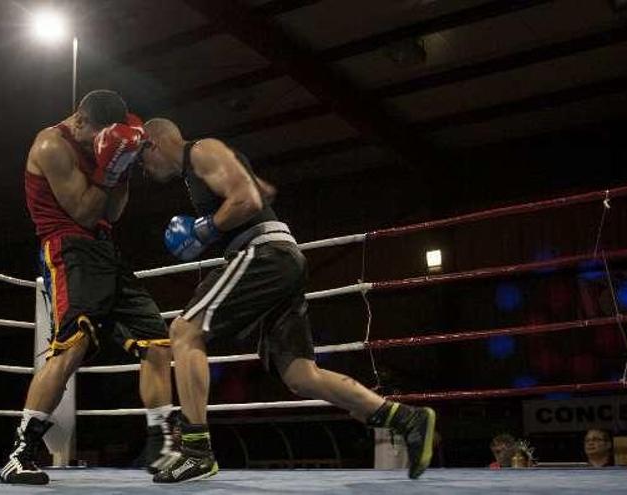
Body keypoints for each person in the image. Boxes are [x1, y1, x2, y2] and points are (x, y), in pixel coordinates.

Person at [139, 118, 437, 483]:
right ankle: (404, 418)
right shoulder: (202, 165)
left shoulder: (201, 150)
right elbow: (260, 190)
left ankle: (196, 451)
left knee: (184, 331)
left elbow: (248, 199)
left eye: (142, 159)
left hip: (263, 252)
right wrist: (238, 192)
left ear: (152, 143)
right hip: (279, 258)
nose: (144, 169)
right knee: (300, 375)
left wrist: (206, 228)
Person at [1, 90, 175, 484]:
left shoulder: (106, 144)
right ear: (79, 121)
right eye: (93, 138)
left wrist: (123, 167)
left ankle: (162, 445)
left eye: (105, 141)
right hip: (67, 248)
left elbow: (110, 212)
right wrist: (109, 168)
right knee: (71, 346)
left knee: (156, 341)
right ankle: (20, 453)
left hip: (104, 250)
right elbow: (81, 211)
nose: (96, 145)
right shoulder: (51, 144)